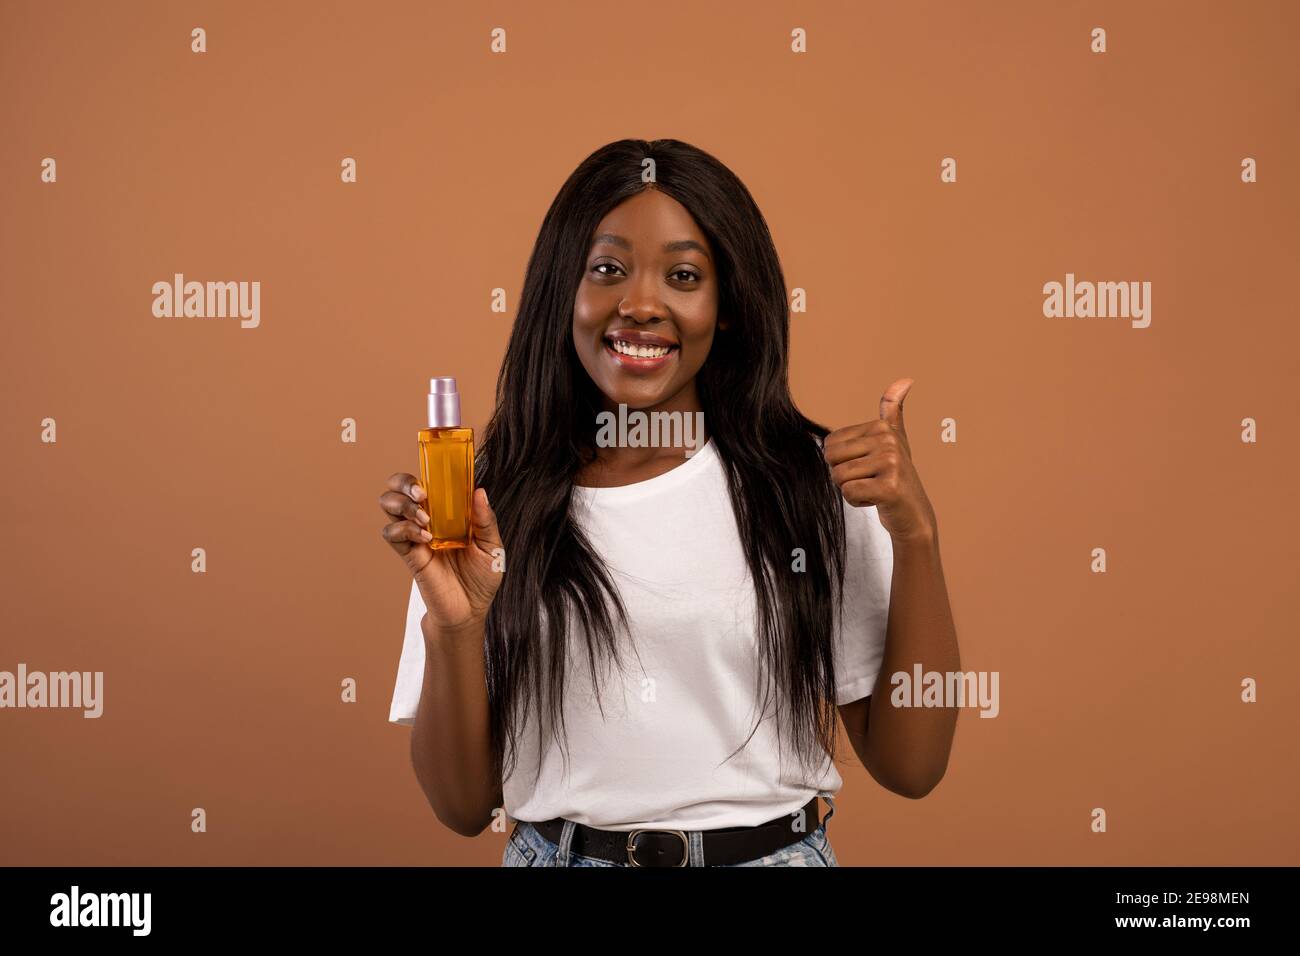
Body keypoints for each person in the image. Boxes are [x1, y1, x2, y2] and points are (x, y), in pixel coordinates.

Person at [380, 139, 960, 867]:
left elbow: (912, 769)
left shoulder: (807, 484)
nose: (641, 303)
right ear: (564, 291)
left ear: (726, 308)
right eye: (607, 269)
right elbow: (463, 808)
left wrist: (916, 539)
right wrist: (456, 625)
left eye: (683, 275)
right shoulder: (485, 503)